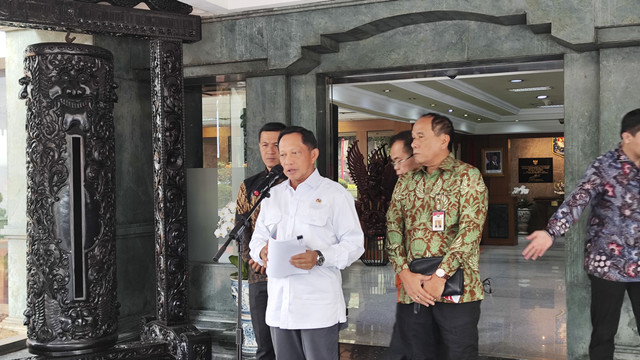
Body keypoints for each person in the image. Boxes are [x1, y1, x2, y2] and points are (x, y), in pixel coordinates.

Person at [523, 108, 640, 359]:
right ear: (627, 137)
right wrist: (550, 232)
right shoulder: (604, 166)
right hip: (607, 264)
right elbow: (577, 201)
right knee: (603, 334)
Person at [249, 126, 364, 359]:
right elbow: (257, 238)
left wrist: (319, 257)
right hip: (280, 305)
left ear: (313, 154)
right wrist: (261, 252)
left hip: (317, 307)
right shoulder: (273, 195)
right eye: (283, 155)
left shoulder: (335, 194)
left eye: (295, 153)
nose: (287, 161)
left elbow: (355, 244)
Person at [385, 113, 488, 360]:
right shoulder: (406, 181)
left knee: (458, 353)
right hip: (414, 290)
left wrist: (440, 276)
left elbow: (470, 231)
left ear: (443, 140)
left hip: (458, 291)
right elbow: (392, 228)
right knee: (419, 354)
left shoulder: (467, 176)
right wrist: (404, 275)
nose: (415, 143)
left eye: (420, 137)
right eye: (413, 138)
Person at [235, 122, 287, 360]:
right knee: (264, 345)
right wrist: (253, 259)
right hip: (259, 274)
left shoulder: (295, 183)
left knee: (291, 345)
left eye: (276, 145)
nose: (270, 150)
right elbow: (242, 229)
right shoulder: (249, 185)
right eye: (265, 145)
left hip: (290, 275)